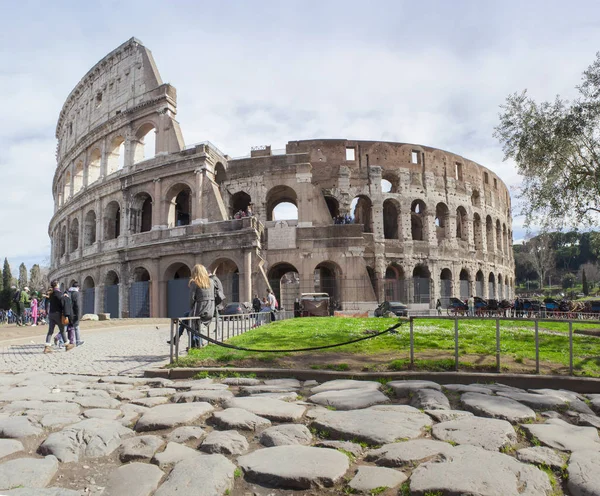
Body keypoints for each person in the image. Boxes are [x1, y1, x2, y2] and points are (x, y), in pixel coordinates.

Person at [189, 264, 215, 346]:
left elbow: (191, 299)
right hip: (211, 309)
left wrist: (191, 308)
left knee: (188, 320)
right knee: (186, 317)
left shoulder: (194, 282)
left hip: (200, 310)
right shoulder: (211, 281)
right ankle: (194, 341)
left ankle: (196, 344)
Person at [44, 280, 72, 353]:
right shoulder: (59, 293)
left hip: (51, 314)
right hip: (58, 314)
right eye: (58, 284)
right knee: (62, 330)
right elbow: (63, 302)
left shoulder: (51, 294)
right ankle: (67, 345)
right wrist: (66, 297)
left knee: (50, 331)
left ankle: (47, 347)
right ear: (56, 285)